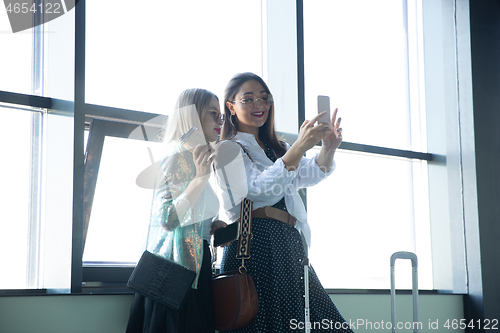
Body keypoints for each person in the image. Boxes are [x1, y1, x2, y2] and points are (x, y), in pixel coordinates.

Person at [214, 72, 354, 332]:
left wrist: (329, 147)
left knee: (318, 323)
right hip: (257, 245)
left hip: (287, 243)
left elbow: (310, 173)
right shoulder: (228, 148)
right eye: (249, 99)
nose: (260, 105)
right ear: (230, 106)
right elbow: (260, 191)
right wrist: (299, 147)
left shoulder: (277, 148)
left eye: (264, 98)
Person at [126, 88, 225, 333]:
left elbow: (188, 218)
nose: (220, 121)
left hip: (191, 269)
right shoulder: (178, 156)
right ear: (192, 116)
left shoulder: (194, 158)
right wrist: (200, 178)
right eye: (213, 113)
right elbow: (168, 219)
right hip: (175, 275)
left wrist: (210, 227)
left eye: (221, 115)